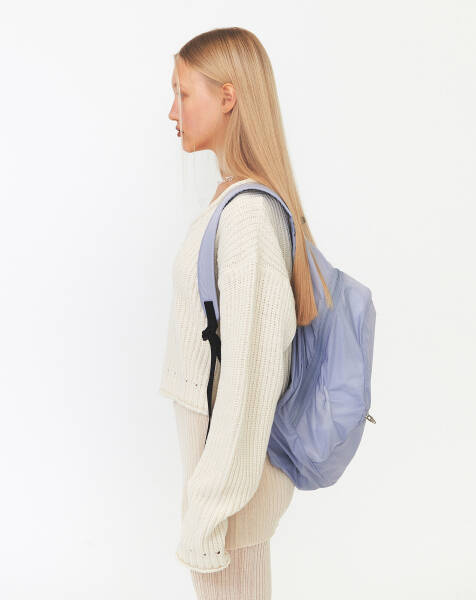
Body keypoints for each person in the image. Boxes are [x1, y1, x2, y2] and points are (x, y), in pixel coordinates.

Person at [160, 26, 321, 600]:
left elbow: (250, 378)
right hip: (224, 483)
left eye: (183, 93)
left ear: (227, 97)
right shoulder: (232, 200)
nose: (172, 111)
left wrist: (209, 511)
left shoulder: (247, 216)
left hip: (231, 495)